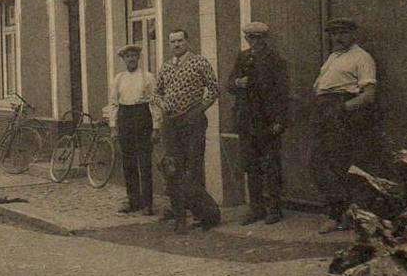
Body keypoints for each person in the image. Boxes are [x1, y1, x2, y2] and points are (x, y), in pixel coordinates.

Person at [152, 28, 222, 233]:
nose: (176, 45)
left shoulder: (199, 62)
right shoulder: (165, 67)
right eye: (172, 42)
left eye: (180, 41)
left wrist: (199, 109)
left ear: (188, 42)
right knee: (172, 169)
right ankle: (179, 215)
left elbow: (214, 89)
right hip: (171, 123)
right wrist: (162, 104)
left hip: (192, 122)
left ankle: (202, 215)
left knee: (194, 167)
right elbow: (155, 94)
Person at [312, 17, 377, 234]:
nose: (337, 38)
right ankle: (345, 211)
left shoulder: (362, 57)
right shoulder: (334, 57)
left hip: (341, 111)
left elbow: (368, 96)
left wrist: (341, 110)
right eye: (333, 34)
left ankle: (336, 215)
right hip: (324, 111)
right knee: (320, 163)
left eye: (342, 33)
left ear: (353, 34)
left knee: (336, 164)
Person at [227, 22, 289, 225]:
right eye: (250, 38)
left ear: (265, 39)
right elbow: (229, 84)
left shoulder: (276, 60)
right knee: (251, 166)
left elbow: (283, 92)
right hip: (247, 120)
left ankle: (274, 209)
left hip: (267, 120)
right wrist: (238, 83)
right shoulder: (243, 57)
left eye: (257, 38)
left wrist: (280, 120)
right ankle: (256, 209)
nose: (253, 42)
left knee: (271, 165)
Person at [109, 43, 159, 216]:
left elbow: (154, 104)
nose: (131, 59)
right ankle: (133, 201)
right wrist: (114, 127)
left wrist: (156, 127)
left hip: (142, 117)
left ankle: (148, 204)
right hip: (125, 118)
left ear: (138, 58)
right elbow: (114, 103)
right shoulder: (119, 79)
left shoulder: (148, 77)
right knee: (128, 163)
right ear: (123, 59)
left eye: (134, 56)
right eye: (127, 56)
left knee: (144, 163)